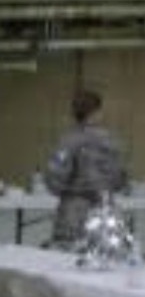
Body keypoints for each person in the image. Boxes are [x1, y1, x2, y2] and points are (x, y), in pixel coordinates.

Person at [45, 87, 128, 247]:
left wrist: (66, 191)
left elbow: (54, 176)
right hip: (104, 211)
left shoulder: (68, 141)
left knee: (68, 256)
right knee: (104, 253)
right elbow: (120, 177)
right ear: (97, 112)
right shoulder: (111, 141)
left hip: (73, 212)